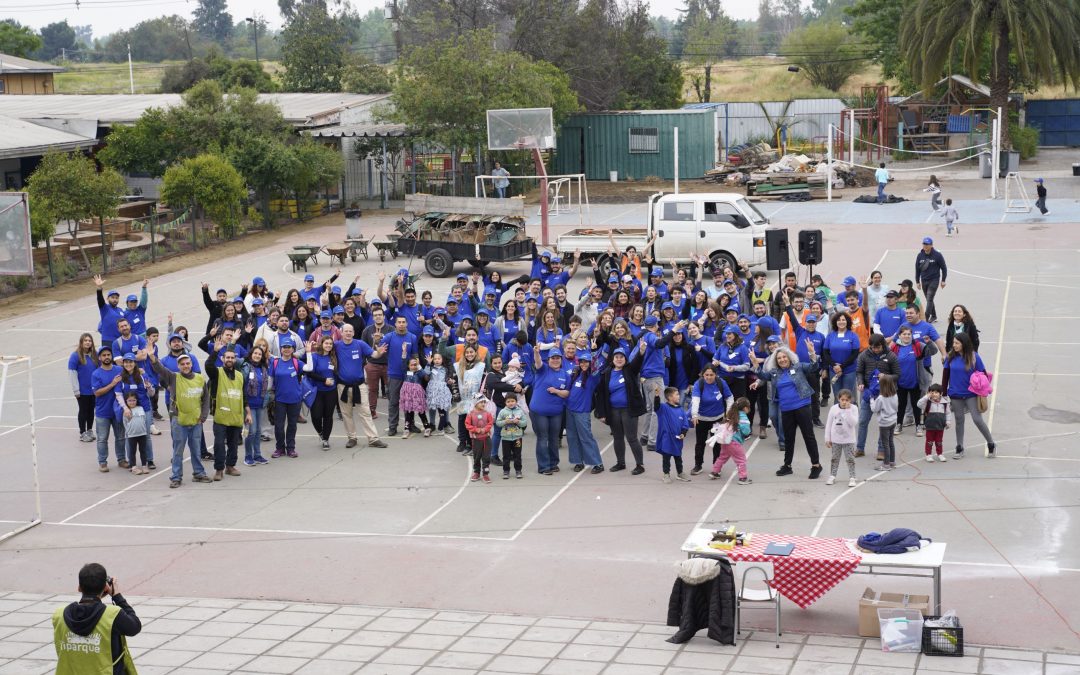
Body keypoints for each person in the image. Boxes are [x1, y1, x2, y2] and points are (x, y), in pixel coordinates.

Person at [53, 563, 141, 675]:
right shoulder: (112, 615)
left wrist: (96, 601)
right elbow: (135, 627)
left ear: (79, 587)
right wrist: (117, 596)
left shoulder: (60, 615)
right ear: (105, 587)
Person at [754, 342, 823, 479]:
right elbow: (762, 376)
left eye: (784, 357)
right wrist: (755, 363)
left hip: (802, 406)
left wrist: (811, 353)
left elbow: (814, 367)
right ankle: (787, 466)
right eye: (779, 358)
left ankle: (816, 465)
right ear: (776, 361)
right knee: (788, 438)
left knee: (808, 436)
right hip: (786, 409)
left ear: (789, 357)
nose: (782, 360)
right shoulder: (774, 373)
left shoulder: (799, 367)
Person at [594, 345, 646, 474]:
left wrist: (641, 352)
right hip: (613, 410)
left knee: (632, 438)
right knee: (617, 438)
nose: (619, 359)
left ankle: (640, 465)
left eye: (621, 357)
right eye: (616, 357)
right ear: (612, 359)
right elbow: (600, 394)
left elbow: (637, 362)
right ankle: (620, 463)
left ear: (625, 359)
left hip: (629, 410)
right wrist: (601, 413)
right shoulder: (606, 373)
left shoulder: (630, 370)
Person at [335, 324, 388, 449]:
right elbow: (324, 351)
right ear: (341, 333)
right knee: (346, 414)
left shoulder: (360, 344)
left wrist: (379, 352)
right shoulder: (336, 345)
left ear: (353, 333)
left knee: (365, 412)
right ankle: (352, 438)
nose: (348, 333)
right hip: (342, 386)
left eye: (350, 331)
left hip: (360, 386)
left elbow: (374, 354)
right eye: (346, 331)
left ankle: (373, 439)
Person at [944, 333, 996, 459]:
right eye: (953, 343)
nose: (954, 345)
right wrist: (944, 393)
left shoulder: (974, 357)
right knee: (959, 420)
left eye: (957, 343)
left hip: (971, 393)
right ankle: (959, 447)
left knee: (977, 419)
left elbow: (983, 374)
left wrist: (981, 386)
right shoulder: (950, 356)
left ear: (964, 344)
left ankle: (991, 443)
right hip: (955, 393)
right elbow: (946, 374)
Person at [204, 347, 249, 479]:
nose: (229, 359)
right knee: (219, 444)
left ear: (235, 359)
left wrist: (248, 413)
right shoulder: (217, 373)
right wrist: (215, 351)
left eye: (232, 357)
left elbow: (243, 396)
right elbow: (208, 365)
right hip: (221, 416)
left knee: (233, 444)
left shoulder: (240, 376)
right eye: (227, 357)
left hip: (236, 416)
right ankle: (219, 469)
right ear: (223, 359)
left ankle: (230, 466)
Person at [855, 334, 899, 459]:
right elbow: (859, 372)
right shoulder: (863, 355)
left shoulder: (891, 356)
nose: (875, 350)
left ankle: (881, 449)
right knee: (863, 421)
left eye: (878, 347)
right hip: (868, 394)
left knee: (884, 423)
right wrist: (861, 382)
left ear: (883, 345)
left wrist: (885, 377)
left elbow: (897, 375)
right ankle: (860, 448)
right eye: (873, 348)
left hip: (885, 395)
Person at [531, 345, 569, 474]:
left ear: (561, 359)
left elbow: (567, 393)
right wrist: (536, 352)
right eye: (553, 358)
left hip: (556, 412)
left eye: (558, 357)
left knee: (554, 438)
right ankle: (544, 467)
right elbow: (538, 361)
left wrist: (556, 391)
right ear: (548, 359)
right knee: (543, 437)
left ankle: (553, 463)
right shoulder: (543, 369)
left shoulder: (565, 374)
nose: (555, 360)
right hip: (539, 411)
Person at [565, 350, 605, 474]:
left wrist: (593, 352)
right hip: (570, 410)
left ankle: (597, 463)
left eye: (586, 362)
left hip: (582, 412)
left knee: (586, 437)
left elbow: (597, 367)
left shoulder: (593, 377)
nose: (584, 364)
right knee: (572, 437)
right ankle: (578, 462)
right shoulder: (576, 374)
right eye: (581, 361)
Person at [689, 366, 733, 474]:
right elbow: (695, 400)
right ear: (703, 375)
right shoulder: (699, 384)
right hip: (701, 419)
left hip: (717, 419)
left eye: (711, 375)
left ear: (716, 375)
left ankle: (716, 466)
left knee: (717, 444)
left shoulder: (721, 383)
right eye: (706, 375)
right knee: (700, 443)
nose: (709, 377)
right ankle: (698, 465)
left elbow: (729, 398)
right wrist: (694, 415)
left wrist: (728, 415)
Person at [91, 345, 127, 472]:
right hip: (102, 412)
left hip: (117, 411)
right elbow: (97, 392)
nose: (107, 357)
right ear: (100, 358)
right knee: (102, 439)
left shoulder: (119, 370)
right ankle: (102, 462)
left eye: (108, 355)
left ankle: (121, 459)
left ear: (111, 356)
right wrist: (112, 384)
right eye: (104, 355)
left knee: (121, 437)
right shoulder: (96, 374)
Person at [270, 338, 303, 458]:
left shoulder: (296, 362)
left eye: (289, 347)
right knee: (279, 426)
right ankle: (279, 448)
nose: (286, 349)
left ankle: (290, 448)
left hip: (295, 399)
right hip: (280, 399)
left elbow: (309, 368)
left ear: (293, 349)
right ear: (281, 349)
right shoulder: (275, 362)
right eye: (284, 347)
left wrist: (309, 352)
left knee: (292, 425)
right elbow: (270, 381)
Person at [708, 397, 752, 485]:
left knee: (722, 457)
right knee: (741, 459)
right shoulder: (743, 417)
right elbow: (746, 431)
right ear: (745, 408)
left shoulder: (731, 414)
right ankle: (743, 478)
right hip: (735, 442)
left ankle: (714, 472)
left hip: (726, 440)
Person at [653, 384, 691, 483]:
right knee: (666, 458)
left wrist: (683, 433)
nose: (679, 396)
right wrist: (657, 396)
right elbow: (656, 407)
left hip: (677, 440)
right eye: (677, 394)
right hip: (666, 439)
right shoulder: (663, 408)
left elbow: (685, 424)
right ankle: (666, 474)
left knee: (678, 457)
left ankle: (680, 473)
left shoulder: (681, 410)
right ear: (670, 397)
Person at [241, 345, 270, 466]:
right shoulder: (246, 367)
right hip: (249, 405)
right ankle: (248, 456)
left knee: (258, 431)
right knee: (251, 431)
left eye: (259, 354)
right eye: (255, 353)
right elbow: (241, 385)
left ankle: (257, 455)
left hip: (260, 404)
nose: (257, 356)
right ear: (251, 354)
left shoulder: (264, 368)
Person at [824, 389, 858, 487]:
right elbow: (829, 424)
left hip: (849, 440)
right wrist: (827, 438)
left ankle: (852, 477)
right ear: (838, 399)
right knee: (835, 458)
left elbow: (853, 423)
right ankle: (832, 476)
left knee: (850, 459)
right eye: (842, 400)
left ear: (850, 400)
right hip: (836, 440)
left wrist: (847, 411)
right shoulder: (833, 409)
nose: (844, 402)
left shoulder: (854, 408)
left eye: (847, 400)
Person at [70, 333, 99, 443]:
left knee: (91, 410)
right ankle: (82, 432)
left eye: (89, 340)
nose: (88, 342)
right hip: (82, 391)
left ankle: (89, 430)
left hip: (93, 390)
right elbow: (72, 373)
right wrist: (76, 390)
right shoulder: (75, 356)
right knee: (83, 411)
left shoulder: (95, 356)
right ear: (81, 343)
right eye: (85, 340)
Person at [915, 237, 947, 323]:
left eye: (927, 244)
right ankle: (934, 316)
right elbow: (917, 269)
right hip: (924, 280)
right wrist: (917, 281)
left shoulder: (937, 255)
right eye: (924, 244)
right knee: (929, 299)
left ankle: (926, 317)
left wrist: (943, 280)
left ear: (931, 245)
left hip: (934, 280)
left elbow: (944, 268)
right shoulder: (920, 255)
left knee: (929, 298)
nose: (925, 246)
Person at [496, 392, 528, 479]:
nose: (511, 403)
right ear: (505, 403)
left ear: (516, 402)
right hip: (506, 438)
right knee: (506, 455)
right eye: (508, 401)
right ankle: (506, 471)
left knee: (517, 455)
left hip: (517, 438)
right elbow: (497, 423)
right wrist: (505, 422)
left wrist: (518, 422)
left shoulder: (520, 411)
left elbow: (524, 423)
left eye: (513, 401)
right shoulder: (503, 411)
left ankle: (518, 470)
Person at [871, 374, 899, 470]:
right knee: (891, 442)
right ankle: (892, 461)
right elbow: (896, 407)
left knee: (885, 443)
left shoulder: (880, 398)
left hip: (884, 423)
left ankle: (886, 464)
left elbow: (875, 409)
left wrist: (871, 400)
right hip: (893, 420)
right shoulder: (895, 395)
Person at [400, 355, 432, 437]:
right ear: (408, 366)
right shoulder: (405, 372)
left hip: (417, 395)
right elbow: (403, 362)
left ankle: (427, 427)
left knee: (421, 412)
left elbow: (426, 376)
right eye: (412, 365)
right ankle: (406, 428)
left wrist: (423, 365)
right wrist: (404, 353)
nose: (413, 366)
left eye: (415, 365)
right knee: (409, 412)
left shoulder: (419, 373)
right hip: (408, 395)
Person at [918, 384, 951, 462]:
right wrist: (926, 396)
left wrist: (948, 421)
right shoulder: (928, 403)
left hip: (940, 426)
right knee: (929, 441)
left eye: (936, 392)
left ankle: (940, 454)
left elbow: (948, 413)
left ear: (941, 393)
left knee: (939, 441)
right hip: (930, 426)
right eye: (932, 392)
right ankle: (928, 454)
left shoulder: (945, 403)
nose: (934, 394)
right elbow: (919, 404)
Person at [465, 397, 495, 482]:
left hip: (486, 439)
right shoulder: (470, 414)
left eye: (484, 402)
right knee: (477, 457)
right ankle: (476, 473)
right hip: (476, 439)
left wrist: (485, 429)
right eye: (481, 402)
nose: (483, 404)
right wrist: (476, 430)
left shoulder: (487, 413)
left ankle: (486, 474)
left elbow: (490, 423)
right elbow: (467, 425)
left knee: (486, 457)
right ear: (475, 403)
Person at [122, 392, 149, 475]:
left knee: (143, 450)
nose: (132, 402)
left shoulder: (141, 408)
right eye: (130, 400)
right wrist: (129, 431)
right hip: (132, 435)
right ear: (126, 401)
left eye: (134, 400)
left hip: (142, 434)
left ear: (136, 400)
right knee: (132, 451)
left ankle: (144, 465)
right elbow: (125, 423)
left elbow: (144, 419)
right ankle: (133, 466)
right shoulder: (126, 411)